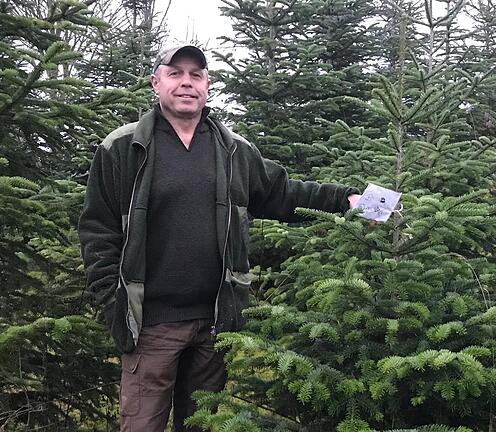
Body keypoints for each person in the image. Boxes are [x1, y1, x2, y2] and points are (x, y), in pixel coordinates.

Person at [78, 44, 360, 431]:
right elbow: (98, 228)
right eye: (176, 74)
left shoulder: (233, 150)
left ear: (208, 85)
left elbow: (284, 194)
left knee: (204, 426)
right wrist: (114, 300)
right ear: (156, 82)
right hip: (151, 326)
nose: (186, 83)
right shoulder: (123, 148)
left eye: (196, 75)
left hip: (215, 322)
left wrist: (348, 198)